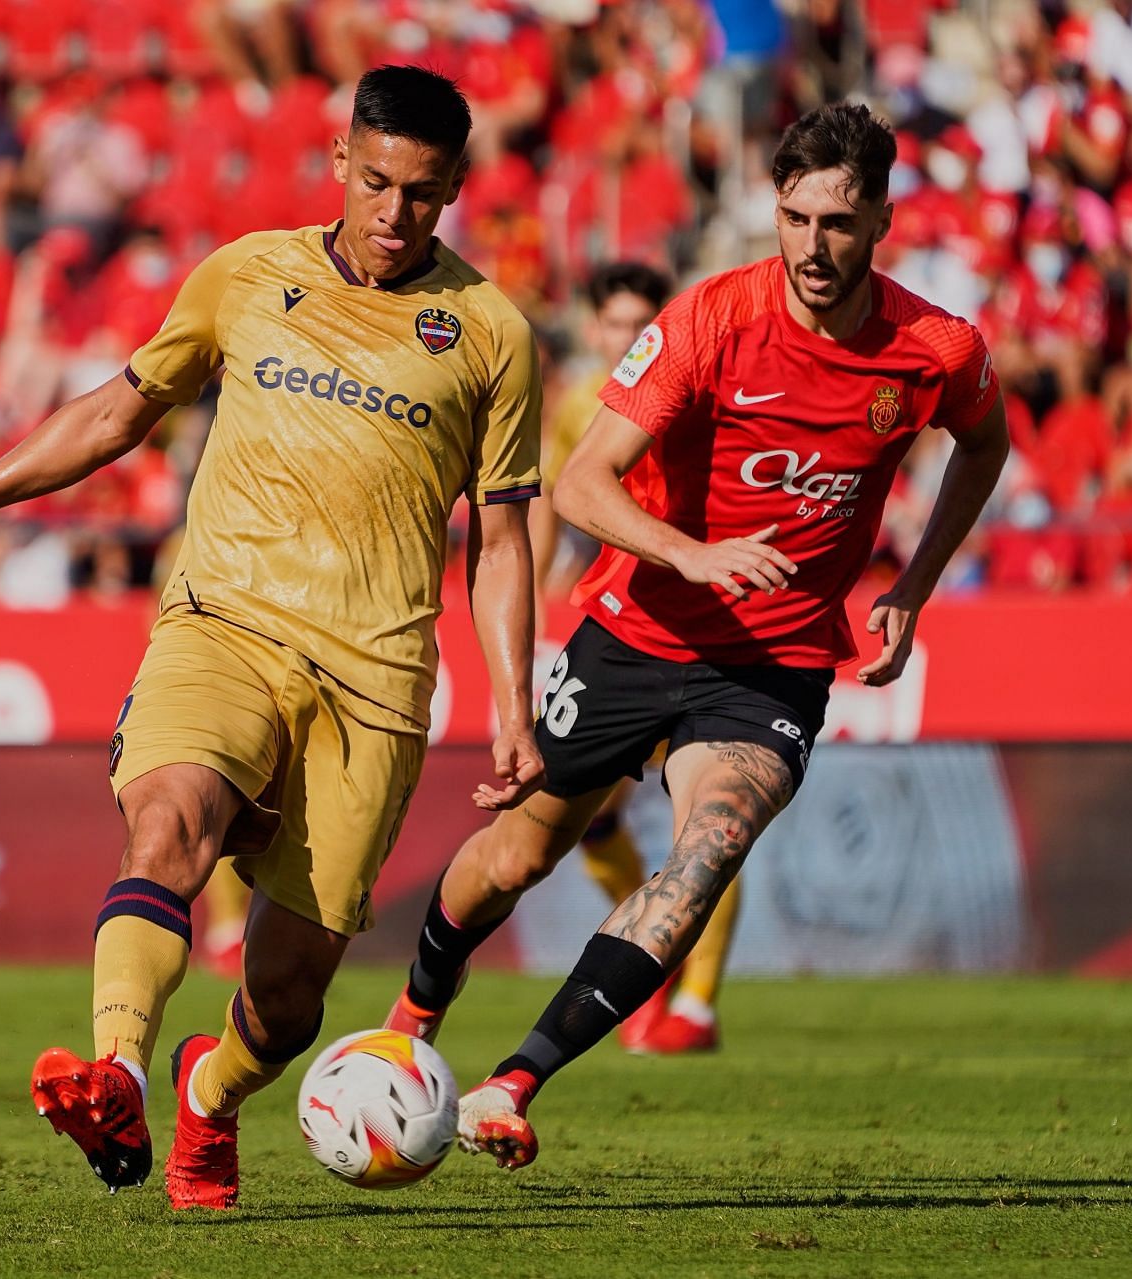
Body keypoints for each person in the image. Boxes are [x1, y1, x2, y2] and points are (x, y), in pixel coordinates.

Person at [0, 67, 544, 1211]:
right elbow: (119, 410)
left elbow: (503, 540)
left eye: (421, 194)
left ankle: (207, 1096)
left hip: (375, 677)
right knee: (167, 819)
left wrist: (514, 707)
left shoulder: (488, 335)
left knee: (288, 995)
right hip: (223, 619)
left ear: (455, 188)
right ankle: (114, 1067)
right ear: (338, 160)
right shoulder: (246, 276)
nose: (392, 214)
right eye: (374, 182)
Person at [383, 102, 1009, 1169]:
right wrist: (691, 553)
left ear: (882, 223)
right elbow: (581, 484)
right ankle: (411, 1026)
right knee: (516, 855)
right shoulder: (712, 319)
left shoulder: (933, 350)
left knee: (708, 851)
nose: (816, 246)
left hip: (774, 665)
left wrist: (915, 582)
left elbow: (983, 447)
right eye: (798, 218)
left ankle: (515, 1080)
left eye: (840, 223)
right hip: (636, 633)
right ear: (775, 210)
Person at [526, 260, 745, 1055]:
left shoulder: (697, 391)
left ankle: (697, 1005)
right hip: (615, 623)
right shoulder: (576, 407)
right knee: (590, 823)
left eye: (638, 325)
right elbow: (553, 500)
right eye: (613, 325)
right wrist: (540, 592)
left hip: (695, 630)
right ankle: (655, 959)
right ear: (594, 331)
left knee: (710, 820)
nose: (626, 339)